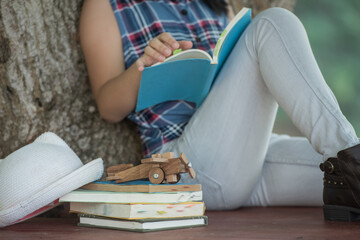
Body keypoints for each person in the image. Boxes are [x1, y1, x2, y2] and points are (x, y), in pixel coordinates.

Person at [80, 0, 360, 221]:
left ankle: (348, 158)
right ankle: (347, 150)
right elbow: (108, 107)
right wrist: (145, 65)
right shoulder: (107, 5)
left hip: (244, 156)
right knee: (273, 23)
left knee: (339, 177)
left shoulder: (214, 3)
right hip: (188, 167)